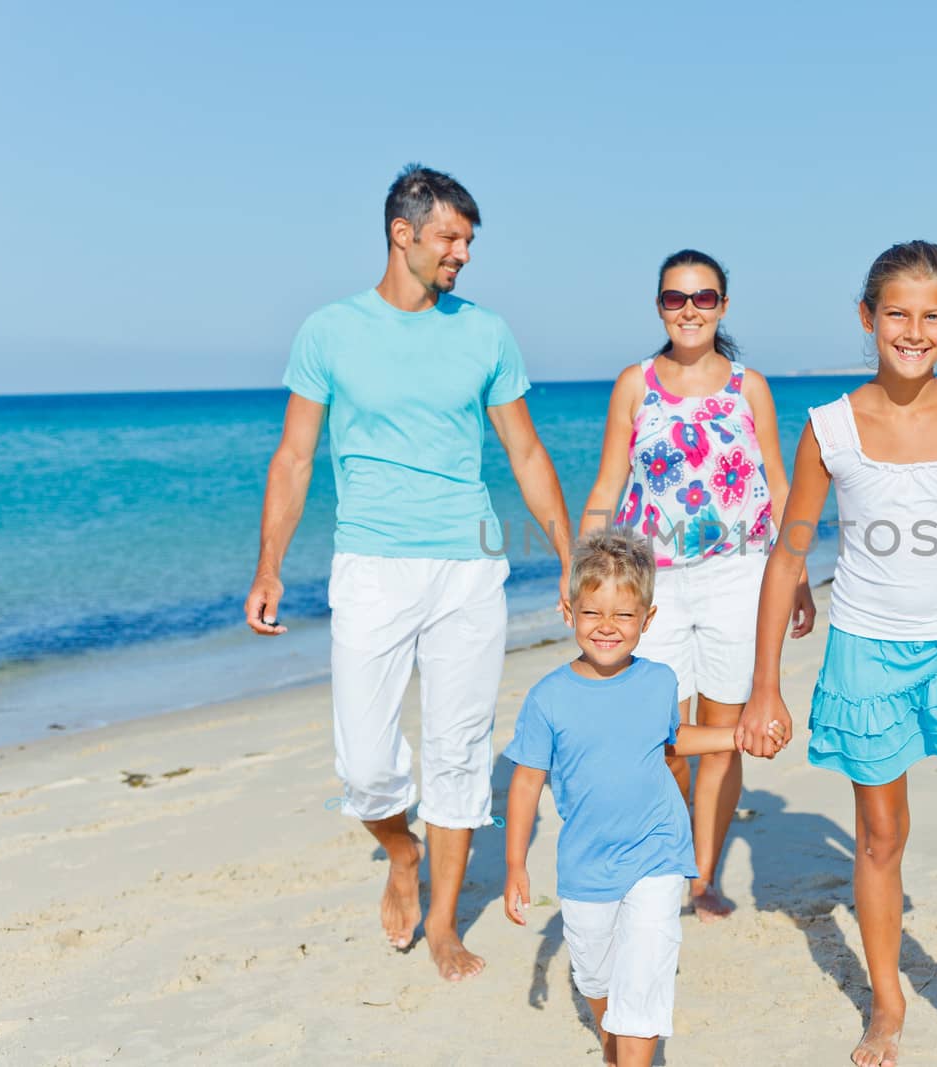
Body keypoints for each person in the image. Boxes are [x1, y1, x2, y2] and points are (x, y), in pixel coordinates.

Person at [244, 164, 572, 982]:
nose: (462, 253)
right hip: (370, 564)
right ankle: (401, 848)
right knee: (364, 763)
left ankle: (443, 923)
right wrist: (269, 567)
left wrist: (570, 555)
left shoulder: (486, 333)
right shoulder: (329, 331)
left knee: (460, 750)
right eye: (449, 238)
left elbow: (525, 450)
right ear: (403, 233)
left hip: (468, 564)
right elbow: (293, 457)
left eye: (468, 240)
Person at [740, 241, 937, 1067]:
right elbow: (787, 554)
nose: (915, 331)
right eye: (898, 314)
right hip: (867, 653)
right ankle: (886, 1004)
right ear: (868, 318)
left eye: (932, 316)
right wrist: (764, 685)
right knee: (880, 835)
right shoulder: (830, 428)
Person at [578, 249, 814, 920]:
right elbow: (606, 485)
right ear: (659, 306)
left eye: (704, 297)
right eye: (676, 298)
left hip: (740, 577)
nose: (690, 310)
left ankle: (702, 874)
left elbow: (778, 485)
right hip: (651, 583)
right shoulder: (635, 384)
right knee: (660, 733)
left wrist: (793, 576)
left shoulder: (750, 388)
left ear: (723, 306)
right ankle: (666, 850)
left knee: (724, 728)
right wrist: (583, 573)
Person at [502, 528, 782, 1066]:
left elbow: (675, 739)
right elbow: (526, 781)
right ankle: (612, 1034)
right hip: (586, 866)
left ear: (647, 621)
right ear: (569, 613)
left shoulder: (658, 681)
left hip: (656, 853)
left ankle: (631, 1050)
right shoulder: (548, 699)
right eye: (593, 614)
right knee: (595, 974)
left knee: (646, 977)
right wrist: (515, 862)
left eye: (623, 616)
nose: (607, 627)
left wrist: (737, 734)